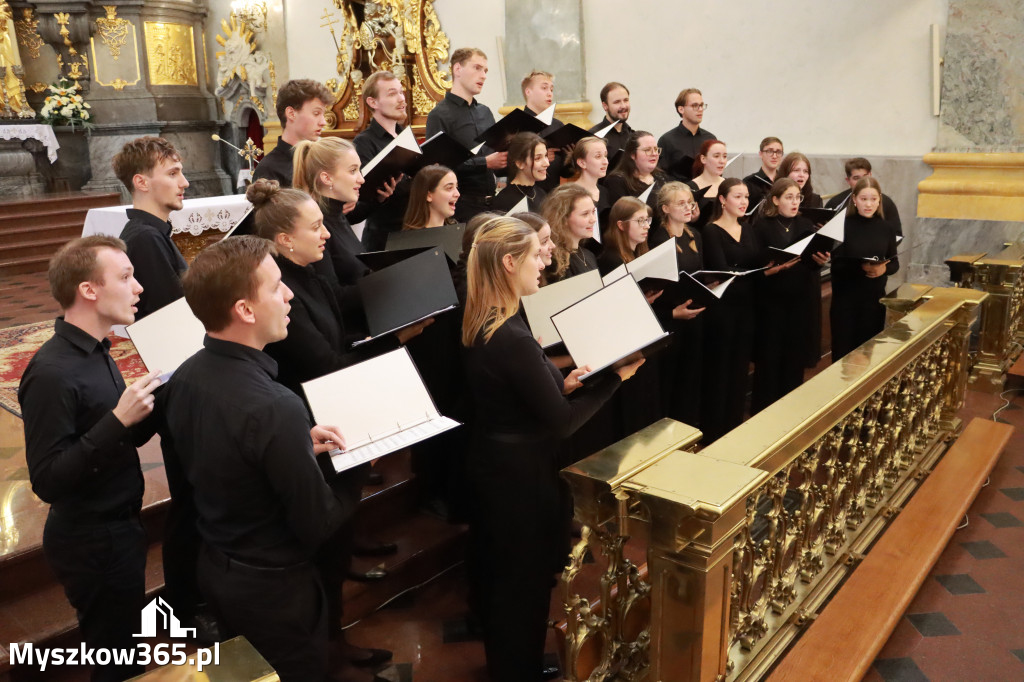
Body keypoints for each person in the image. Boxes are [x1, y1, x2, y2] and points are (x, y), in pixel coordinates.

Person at [158, 235, 356, 682]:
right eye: (276, 287)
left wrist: (294, 445)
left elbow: (223, 458)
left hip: (217, 568)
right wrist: (358, 462)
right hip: (275, 589)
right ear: (245, 310)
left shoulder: (186, 376)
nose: (289, 295)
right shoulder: (275, 406)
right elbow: (317, 524)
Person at [462, 215, 641, 682]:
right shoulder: (512, 336)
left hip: (501, 463)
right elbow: (562, 424)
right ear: (507, 263)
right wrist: (614, 380)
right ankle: (514, 669)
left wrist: (561, 384)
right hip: (519, 474)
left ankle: (515, 662)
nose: (543, 264)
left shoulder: (490, 320)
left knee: (513, 579)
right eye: (533, 258)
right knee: (521, 582)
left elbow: (524, 395)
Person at [20, 235, 162, 682]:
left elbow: (118, 440)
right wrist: (117, 421)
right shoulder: (51, 372)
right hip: (91, 541)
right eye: (125, 277)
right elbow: (47, 479)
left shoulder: (99, 348)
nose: (138, 287)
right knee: (116, 662)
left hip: (119, 526)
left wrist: (164, 401)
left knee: (127, 652)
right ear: (89, 290)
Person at [749, 178, 829, 412]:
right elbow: (756, 265)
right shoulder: (762, 226)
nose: (795, 202)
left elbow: (810, 263)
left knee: (794, 361)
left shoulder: (805, 225)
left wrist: (820, 261)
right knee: (769, 362)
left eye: (798, 197)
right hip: (771, 303)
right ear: (775, 200)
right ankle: (764, 414)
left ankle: (789, 412)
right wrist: (771, 268)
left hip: (799, 302)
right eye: (789, 197)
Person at [699, 178, 763, 443]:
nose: (744, 202)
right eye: (738, 196)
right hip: (722, 310)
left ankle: (734, 426)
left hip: (746, 308)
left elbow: (755, 267)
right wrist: (743, 275)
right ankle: (714, 430)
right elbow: (720, 271)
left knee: (739, 367)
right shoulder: (711, 231)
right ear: (723, 200)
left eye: (746, 197)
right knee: (721, 369)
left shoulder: (748, 230)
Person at [426, 47, 507, 222]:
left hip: (492, 202)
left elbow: (495, 156)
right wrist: (485, 163)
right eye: (477, 68)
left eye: (485, 70)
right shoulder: (439, 115)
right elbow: (439, 166)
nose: (484, 75)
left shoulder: (485, 112)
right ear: (457, 69)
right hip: (461, 205)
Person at [112, 136, 189, 319]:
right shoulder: (146, 238)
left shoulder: (150, 232)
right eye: (172, 174)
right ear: (141, 183)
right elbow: (172, 312)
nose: (184, 183)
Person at [651, 182, 706, 425]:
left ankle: (690, 431)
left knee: (692, 380)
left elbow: (700, 274)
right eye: (681, 203)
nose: (688, 207)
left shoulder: (695, 234)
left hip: (694, 317)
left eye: (690, 202)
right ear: (665, 208)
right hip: (670, 320)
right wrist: (672, 313)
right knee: (671, 383)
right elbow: (656, 287)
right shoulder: (658, 240)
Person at [830, 177, 899, 361]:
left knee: (869, 354)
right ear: (854, 199)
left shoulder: (886, 228)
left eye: (873, 199)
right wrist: (862, 267)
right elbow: (836, 265)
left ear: (879, 200)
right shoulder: (842, 225)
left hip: (873, 301)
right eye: (863, 199)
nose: (869, 204)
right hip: (846, 300)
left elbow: (894, 263)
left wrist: (882, 270)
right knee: (844, 356)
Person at [353, 70, 412, 250]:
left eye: (401, 92)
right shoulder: (363, 142)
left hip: (411, 229)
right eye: (392, 94)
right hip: (384, 237)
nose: (402, 99)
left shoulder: (405, 135)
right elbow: (361, 197)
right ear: (373, 102)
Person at [253, 79, 332, 186]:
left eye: (323, 114)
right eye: (316, 113)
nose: (323, 122)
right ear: (291, 113)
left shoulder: (323, 160)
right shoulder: (268, 170)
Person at [520, 70, 573, 192]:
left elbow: (566, 173)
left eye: (551, 89)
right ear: (528, 92)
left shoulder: (557, 125)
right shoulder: (515, 124)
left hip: (552, 194)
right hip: (525, 195)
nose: (549, 93)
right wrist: (539, 157)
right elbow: (502, 168)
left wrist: (570, 159)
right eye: (544, 88)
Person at [604, 131, 669, 226]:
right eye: (647, 150)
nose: (654, 154)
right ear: (632, 154)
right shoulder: (617, 181)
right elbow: (621, 218)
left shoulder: (661, 177)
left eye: (656, 149)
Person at [825, 157, 902, 235]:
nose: (862, 182)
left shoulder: (886, 203)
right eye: (856, 178)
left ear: (870, 176)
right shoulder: (836, 203)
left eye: (865, 176)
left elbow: (896, 233)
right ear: (848, 180)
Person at [542, 183, 599, 282]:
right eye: (585, 214)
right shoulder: (554, 262)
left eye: (593, 212)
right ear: (563, 219)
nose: (593, 219)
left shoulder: (589, 255)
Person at [658, 88, 716, 182]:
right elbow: (661, 175)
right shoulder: (667, 140)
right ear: (681, 109)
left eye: (701, 105)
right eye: (695, 105)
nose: (700, 109)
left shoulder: (710, 139)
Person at [491, 132, 550, 214]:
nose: (547, 163)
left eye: (546, 156)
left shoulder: (541, 193)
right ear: (519, 163)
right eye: (538, 158)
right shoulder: (504, 200)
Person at [566, 136, 611, 231]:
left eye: (605, 156)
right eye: (598, 156)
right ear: (582, 163)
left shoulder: (605, 191)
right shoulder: (569, 194)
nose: (605, 162)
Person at [402, 164, 461, 230]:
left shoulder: (458, 232)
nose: (458, 194)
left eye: (456, 187)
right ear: (428, 195)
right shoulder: (408, 238)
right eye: (449, 188)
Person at [687, 139, 729, 230]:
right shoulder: (690, 187)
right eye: (716, 156)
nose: (722, 161)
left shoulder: (729, 185)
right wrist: (693, 219)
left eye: (725, 156)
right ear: (703, 159)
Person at [587, 82, 633, 158]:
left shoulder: (633, 136)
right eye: (617, 102)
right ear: (605, 106)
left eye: (626, 100)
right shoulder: (594, 136)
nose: (623, 106)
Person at [743, 137, 784, 210]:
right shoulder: (749, 182)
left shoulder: (785, 181)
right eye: (769, 151)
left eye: (778, 152)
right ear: (760, 154)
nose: (774, 156)